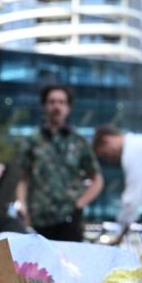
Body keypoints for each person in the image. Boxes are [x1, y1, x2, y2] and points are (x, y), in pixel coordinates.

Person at [16, 85, 104, 241]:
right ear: (44, 106)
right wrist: (22, 205)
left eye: (62, 102)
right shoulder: (32, 141)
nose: (57, 106)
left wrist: (79, 204)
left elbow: (97, 179)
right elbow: (23, 178)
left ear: (68, 108)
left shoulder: (78, 141)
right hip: (38, 221)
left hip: (69, 220)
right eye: (52, 102)